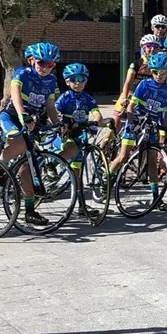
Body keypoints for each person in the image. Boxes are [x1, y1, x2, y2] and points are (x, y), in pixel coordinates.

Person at [0, 41, 62, 227]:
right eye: (41, 63)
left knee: (26, 169)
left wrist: (57, 124)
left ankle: (30, 211)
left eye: (49, 64)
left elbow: (50, 106)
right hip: (11, 116)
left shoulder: (51, 81)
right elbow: (15, 95)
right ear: (31, 61)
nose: (45, 67)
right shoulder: (22, 74)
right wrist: (22, 115)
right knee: (18, 141)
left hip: (31, 122)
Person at [108, 51, 167, 207]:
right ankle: (107, 177)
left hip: (152, 125)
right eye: (155, 72)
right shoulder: (144, 85)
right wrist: (131, 122)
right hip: (136, 121)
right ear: (151, 72)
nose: (159, 75)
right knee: (124, 155)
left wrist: (165, 132)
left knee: (152, 162)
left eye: (163, 72)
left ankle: (156, 196)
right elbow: (131, 106)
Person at [55, 63, 104, 218]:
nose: (77, 82)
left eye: (81, 79)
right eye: (73, 79)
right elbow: (55, 112)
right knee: (70, 151)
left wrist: (97, 122)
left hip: (81, 135)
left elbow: (97, 113)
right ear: (67, 82)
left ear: (86, 80)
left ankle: (81, 206)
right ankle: (52, 165)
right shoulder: (65, 97)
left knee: (78, 174)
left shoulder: (88, 98)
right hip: (67, 133)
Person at [113, 34, 163, 126]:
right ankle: (107, 139)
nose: (152, 49)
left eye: (155, 47)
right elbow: (128, 82)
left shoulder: (160, 65)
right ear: (143, 48)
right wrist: (124, 97)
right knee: (116, 119)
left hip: (147, 97)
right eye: (149, 46)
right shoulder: (137, 64)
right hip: (132, 94)